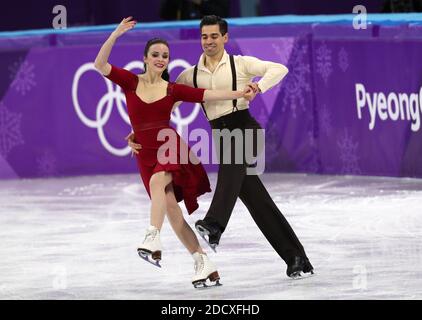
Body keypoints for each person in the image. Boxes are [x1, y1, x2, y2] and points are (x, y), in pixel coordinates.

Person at [127, 15, 314, 279]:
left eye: (214, 36)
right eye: (204, 36)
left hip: (245, 128)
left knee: (231, 167)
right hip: (221, 135)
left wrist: (258, 87)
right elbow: (161, 107)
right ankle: (297, 258)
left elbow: (278, 69)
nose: (209, 41)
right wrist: (137, 133)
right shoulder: (189, 75)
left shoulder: (241, 64)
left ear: (225, 38)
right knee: (256, 200)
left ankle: (214, 225)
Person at [94, 17, 253, 288]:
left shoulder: (171, 89)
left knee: (159, 183)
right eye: (155, 55)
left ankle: (152, 236)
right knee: (171, 210)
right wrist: (116, 33)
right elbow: (99, 64)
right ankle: (204, 263)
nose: (160, 59)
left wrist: (240, 93)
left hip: (169, 147)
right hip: (145, 155)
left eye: (165, 56)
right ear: (145, 58)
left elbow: (208, 95)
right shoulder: (131, 82)